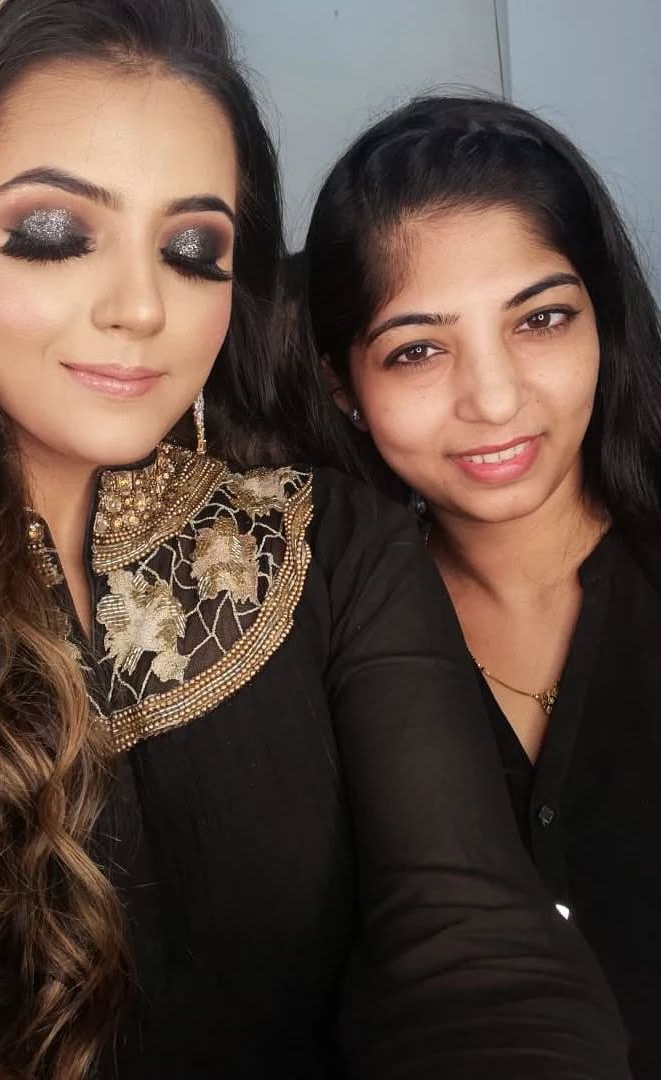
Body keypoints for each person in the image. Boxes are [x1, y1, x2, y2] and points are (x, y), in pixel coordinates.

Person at [0, 6, 632, 1074]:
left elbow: (473, 944)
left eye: (192, 248)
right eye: (55, 233)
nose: (142, 307)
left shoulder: (328, 545)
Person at [296, 93, 661, 1079]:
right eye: (417, 349)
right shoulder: (306, 642)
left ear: (603, 319)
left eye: (541, 320)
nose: (494, 399)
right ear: (343, 387)